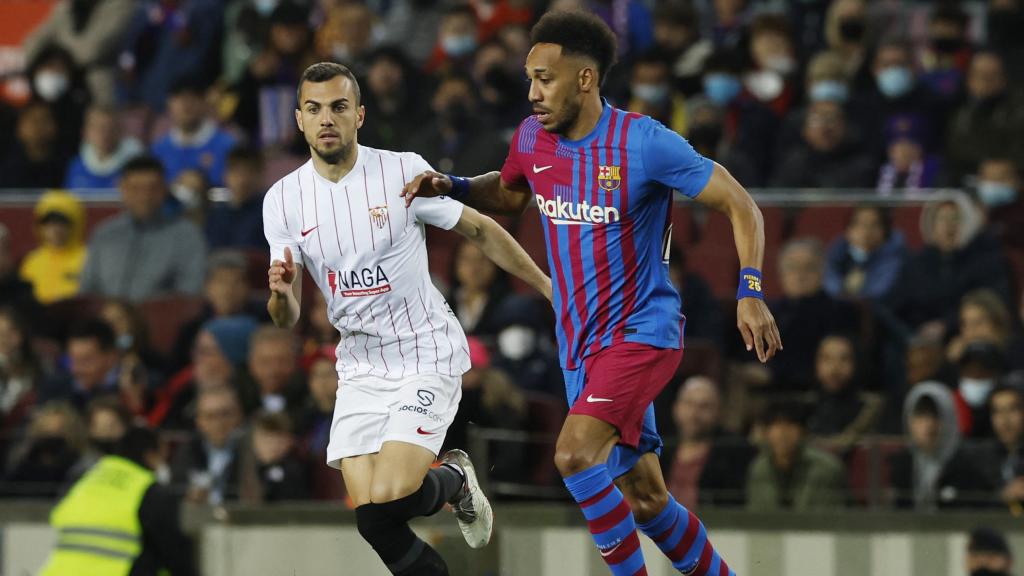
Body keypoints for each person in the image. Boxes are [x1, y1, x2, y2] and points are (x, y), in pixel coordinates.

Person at [402, 10, 781, 575]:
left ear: (585, 79)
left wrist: (750, 289)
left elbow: (739, 203)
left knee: (575, 455)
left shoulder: (645, 143)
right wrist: (454, 185)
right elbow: (509, 195)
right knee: (648, 500)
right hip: (579, 343)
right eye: (529, 77)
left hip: (641, 333)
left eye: (545, 79)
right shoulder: (533, 138)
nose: (532, 92)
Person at [264, 62, 553, 575]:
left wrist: (551, 290)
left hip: (424, 350)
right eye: (314, 109)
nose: (326, 118)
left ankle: (458, 479)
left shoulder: (400, 171)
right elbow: (285, 318)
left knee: (392, 495)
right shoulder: (282, 200)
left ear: (360, 116)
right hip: (358, 364)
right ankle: (455, 484)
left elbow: (483, 231)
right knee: (373, 520)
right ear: (299, 120)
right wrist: (283, 293)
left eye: (338, 107)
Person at [38, 426, 198, 576]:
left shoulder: (86, 478)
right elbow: (174, 553)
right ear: (150, 455)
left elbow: (57, 515)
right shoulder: (146, 489)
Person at [78, 155, 207, 301]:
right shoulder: (104, 234)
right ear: (122, 188)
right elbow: (88, 291)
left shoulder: (187, 236)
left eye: (152, 188)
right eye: (136, 189)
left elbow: (189, 294)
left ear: (164, 189)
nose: (144, 197)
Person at [888, 382, 990, 510]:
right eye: (920, 415)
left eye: (937, 415)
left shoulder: (968, 469)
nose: (929, 424)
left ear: (951, 419)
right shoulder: (900, 467)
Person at [22, 0, 135, 105]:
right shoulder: (68, 5)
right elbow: (36, 41)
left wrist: (61, 56)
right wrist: (44, 61)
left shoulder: (121, 4)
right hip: (63, 79)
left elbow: (93, 49)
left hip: (95, 89)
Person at [666, 376, 755, 509]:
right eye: (689, 404)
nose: (694, 414)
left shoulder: (733, 453)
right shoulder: (660, 448)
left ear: (718, 412)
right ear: (676, 408)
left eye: (704, 407)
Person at [746, 400, 845, 511]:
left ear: (802, 431)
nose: (783, 433)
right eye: (776, 425)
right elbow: (756, 516)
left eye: (790, 425)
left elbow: (828, 518)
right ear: (766, 432)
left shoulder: (827, 468)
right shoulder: (759, 468)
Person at [151, 79, 238, 188]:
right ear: (169, 104)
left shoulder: (228, 146)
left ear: (204, 102)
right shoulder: (158, 150)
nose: (186, 104)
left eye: (192, 98)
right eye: (179, 98)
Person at [170, 385, 246, 505]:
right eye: (210, 416)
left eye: (225, 414)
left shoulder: (252, 451)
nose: (218, 423)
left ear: (239, 415)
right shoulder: (186, 453)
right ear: (199, 421)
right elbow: (175, 495)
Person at [806, 334, 882, 451]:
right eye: (827, 359)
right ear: (816, 364)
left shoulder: (870, 406)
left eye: (844, 359)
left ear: (856, 364)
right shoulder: (806, 405)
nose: (835, 368)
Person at [18, 190, 87, 305]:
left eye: (62, 223)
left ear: (77, 223)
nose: (55, 229)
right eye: (48, 223)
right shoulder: (32, 262)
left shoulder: (88, 259)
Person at [824, 206, 906, 300]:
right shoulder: (835, 256)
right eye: (859, 224)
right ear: (848, 230)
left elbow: (878, 294)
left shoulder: (898, 260)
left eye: (874, 225)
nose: (866, 232)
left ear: (885, 231)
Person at [64, 105, 144, 190]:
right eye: (98, 128)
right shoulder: (75, 166)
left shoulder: (135, 166)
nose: (104, 134)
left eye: (111, 128)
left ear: (120, 131)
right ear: (85, 132)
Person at [204, 146, 268, 251]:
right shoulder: (216, 215)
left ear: (260, 175)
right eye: (236, 172)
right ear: (225, 175)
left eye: (249, 172)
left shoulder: (271, 213)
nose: (242, 180)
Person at [977, 384, 1024, 513]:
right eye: (997, 411)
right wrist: (1002, 497)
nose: (1005, 419)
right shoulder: (979, 458)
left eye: (1012, 409)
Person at [0, 100, 68, 189]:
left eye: (45, 119)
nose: (39, 126)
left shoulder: (68, 168)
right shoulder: (6, 170)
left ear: (55, 127)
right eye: (33, 120)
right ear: (19, 127)